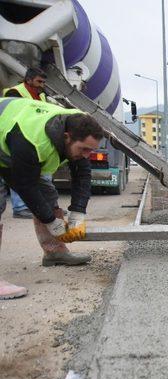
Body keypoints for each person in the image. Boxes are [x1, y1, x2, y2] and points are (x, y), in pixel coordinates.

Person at [0, 97, 104, 300]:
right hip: (11, 135)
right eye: (84, 149)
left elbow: (82, 176)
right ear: (67, 137)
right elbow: (25, 185)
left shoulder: (77, 128)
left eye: (91, 150)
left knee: (47, 194)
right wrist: (52, 223)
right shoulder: (33, 140)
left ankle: (54, 251)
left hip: (14, 144)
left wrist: (77, 215)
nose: (86, 155)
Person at [4, 67, 50, 218]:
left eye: (43, 82)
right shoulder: (14, 93)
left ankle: (39, 206)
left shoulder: (41, 95)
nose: (42, 85)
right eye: (39, 81)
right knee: (20, 172)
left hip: (33, 138)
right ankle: (20, 207)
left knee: (36, 174)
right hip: (15, 137)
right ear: (29, 80)